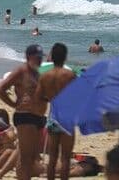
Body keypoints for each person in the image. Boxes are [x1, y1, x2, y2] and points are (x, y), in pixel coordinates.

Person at [0, 44, 44, 180]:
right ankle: (2, 175)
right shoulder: (21, 71)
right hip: (25, 115)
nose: (40, 60)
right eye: (37, 57)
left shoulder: (37, 74)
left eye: (41, 57)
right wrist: (13, 104)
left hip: (38, 116)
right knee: (25, 153)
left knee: (30, 153)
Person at [37, 43, 78, 180]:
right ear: (65, 57)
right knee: (65, 157)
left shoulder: (45, 76)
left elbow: (39, 97)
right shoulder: (70, 75)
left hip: (53, 117)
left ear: (52, 57)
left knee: (52, 157)